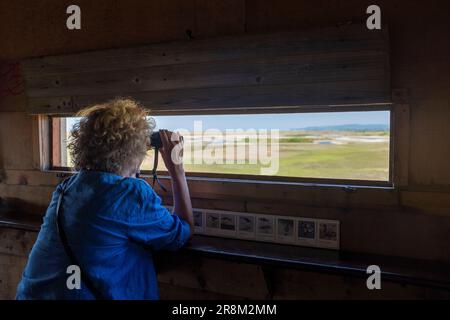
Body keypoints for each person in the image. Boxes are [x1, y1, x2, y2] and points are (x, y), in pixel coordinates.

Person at [16, 98, 193, 300]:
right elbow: (184, 232)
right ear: (135, 150)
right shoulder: (128, 194)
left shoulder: (67, 188)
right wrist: (177, 170)